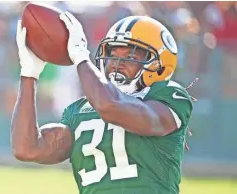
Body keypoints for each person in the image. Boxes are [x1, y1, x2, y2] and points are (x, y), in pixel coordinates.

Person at [11, 12, 196, 194]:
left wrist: (81, 57)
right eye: (112, 54)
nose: (117, 63)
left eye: (130, 57)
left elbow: (110, 106)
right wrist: (29, 73)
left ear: (158, 64)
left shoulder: (168, 95)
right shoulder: (80, 110)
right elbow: (27, 148)